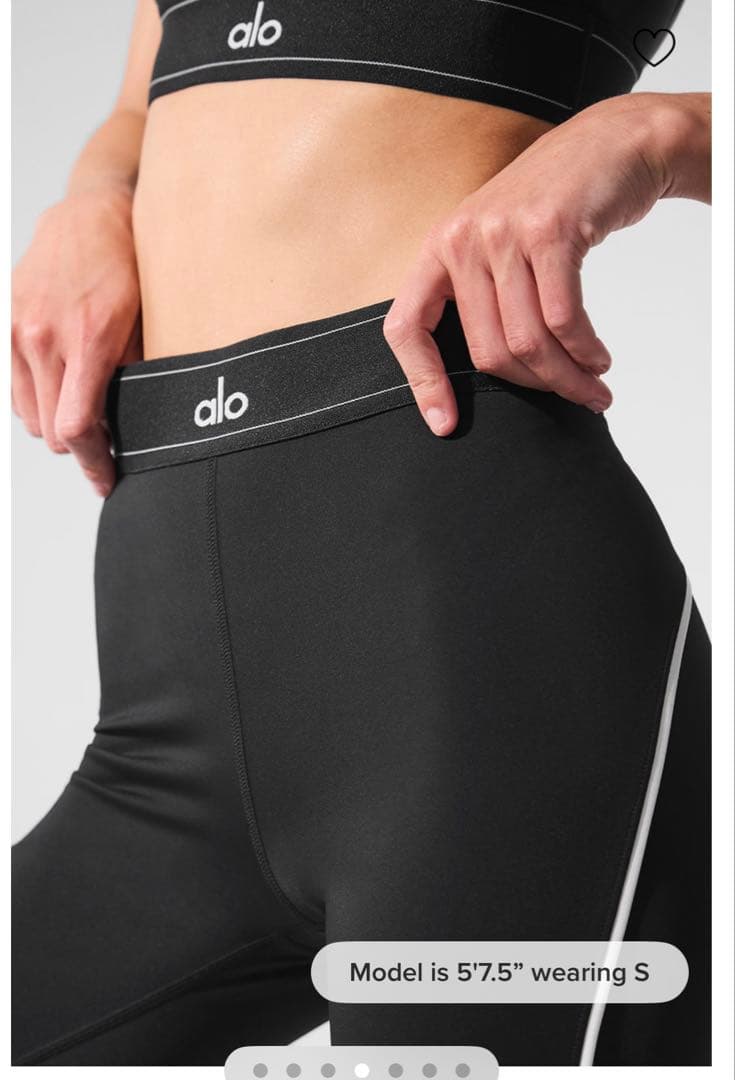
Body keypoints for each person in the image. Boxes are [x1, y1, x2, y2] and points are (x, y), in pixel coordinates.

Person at [11, 0, 710, 1066]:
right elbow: (139, 103)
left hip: (481, 664)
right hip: (162, 709)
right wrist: (92, 195)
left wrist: (660, 131)